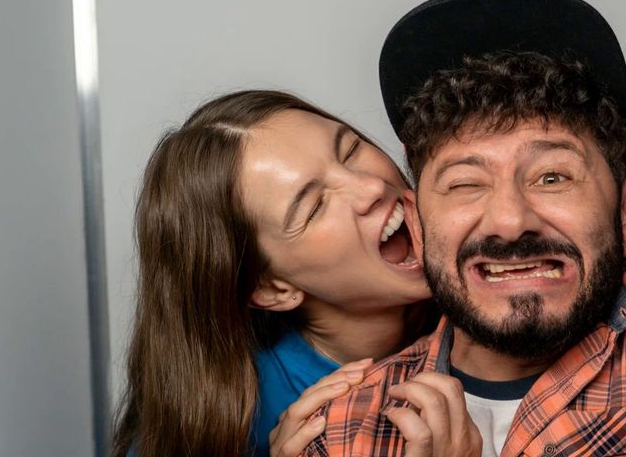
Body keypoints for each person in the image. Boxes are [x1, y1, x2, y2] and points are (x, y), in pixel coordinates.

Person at [304, 0, 626, 456]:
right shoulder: (346, 423)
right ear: (416, 226)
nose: (509, 221)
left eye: (552, 177)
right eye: (465, 183)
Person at [111, 90, 433, 457]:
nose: (372, 187)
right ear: (271, 288)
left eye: (350, 150)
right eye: (314, 207)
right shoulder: (227, 424)